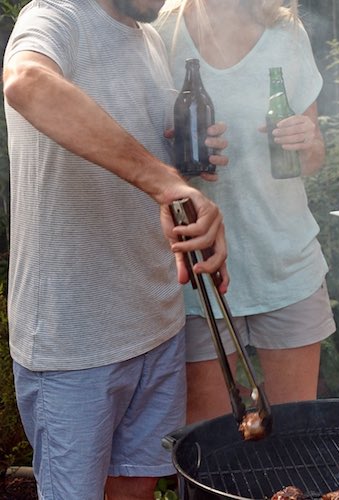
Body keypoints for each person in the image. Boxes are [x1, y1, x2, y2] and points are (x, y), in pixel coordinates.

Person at [2, 0, 231, 498]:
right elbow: (26, 82)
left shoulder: (146, 37)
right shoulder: (55, 15)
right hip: (75, 338)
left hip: (156, 323)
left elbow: (137, 158)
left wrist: (184, 159)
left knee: (136, 490)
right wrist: (166, 181)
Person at [156, 0, 335, 423]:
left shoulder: (285, 30)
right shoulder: (161, 32)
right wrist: (176, 156)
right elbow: (139, 153)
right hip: (196, 277)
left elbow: (315, 157)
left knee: (295, 436)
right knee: (212, 447)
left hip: (286, 264)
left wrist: (306, 142)